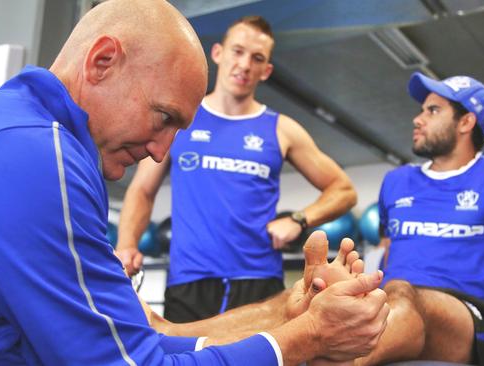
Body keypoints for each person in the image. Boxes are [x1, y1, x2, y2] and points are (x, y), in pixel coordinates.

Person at [0, 0, 390, 364]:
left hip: (254, 269)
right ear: (102, 61)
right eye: (164, 117)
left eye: (177, 129)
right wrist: (306, 339)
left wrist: (292, 311)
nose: (161, 151)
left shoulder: (21, 132)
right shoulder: (34, 156)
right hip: (191, 274)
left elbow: (142, 344)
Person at [116, 15, 357, 322]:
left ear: (266, 70)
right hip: (189, 282)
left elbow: (344, 190)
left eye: (257, 58)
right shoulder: (182, 121)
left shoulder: (282, 130)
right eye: (237, 51)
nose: (244, 64)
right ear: (218, 53)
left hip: (259, 282)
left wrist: (298, 219)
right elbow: (141, 190)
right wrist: (126, 244)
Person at [354, 73, 484, 366]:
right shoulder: (396, 181)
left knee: (403, 293)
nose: (417, 119)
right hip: (389, 310)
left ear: (466, 123)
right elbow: (386, 253)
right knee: (297, 302)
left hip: (465, 315)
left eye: (432, 110)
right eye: (421, 110)